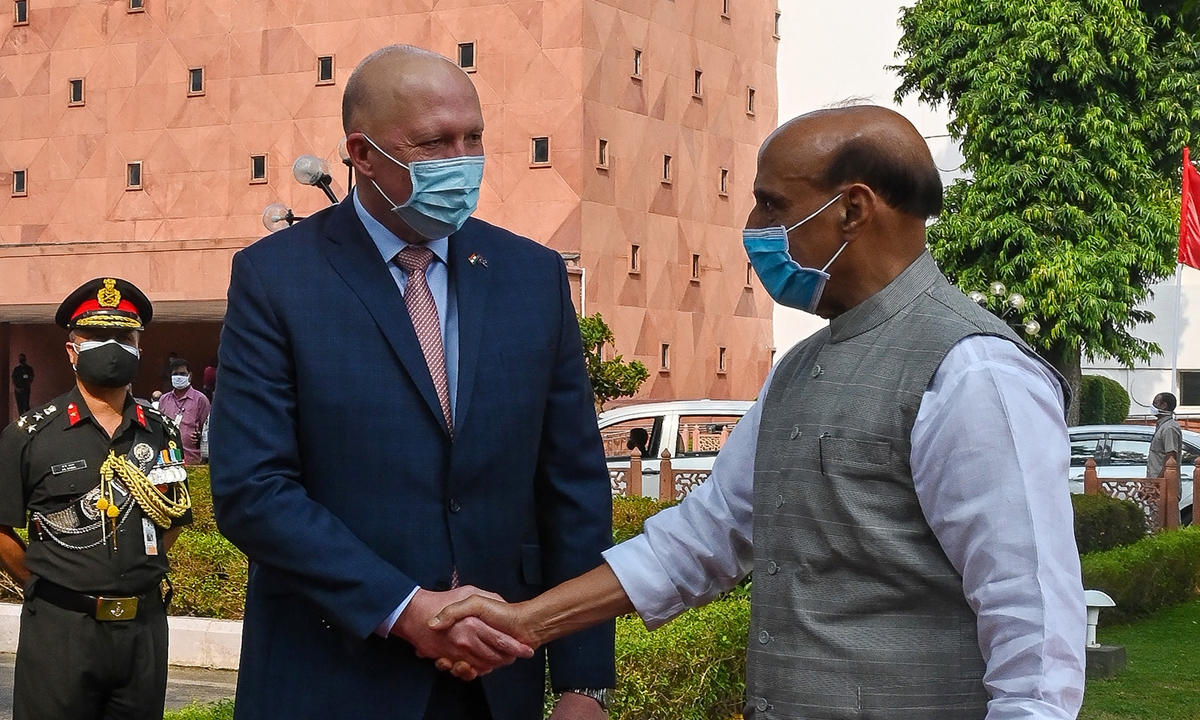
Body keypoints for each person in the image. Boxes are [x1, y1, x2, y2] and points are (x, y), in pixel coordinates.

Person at [432, 106, 1088, 720]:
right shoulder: (800, 369)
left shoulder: (974, 371)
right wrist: (528, 622)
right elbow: (706, 535)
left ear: (853, 209)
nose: (752, 225)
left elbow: (1033, 634)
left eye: (773, 203)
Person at [208, 45, 614, 720]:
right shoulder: (278, 279)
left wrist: (584, 683)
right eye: (434, 143)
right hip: (332, 679)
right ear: (361, 154)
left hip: (496, 682)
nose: (463, 159)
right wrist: (406, 610)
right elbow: (253, 488)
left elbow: (572, 485)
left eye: (474, 138)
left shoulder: (531, 277)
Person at [0, 277, 192, 720]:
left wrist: (138, 564)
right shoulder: (30, 435)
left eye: (124, 338)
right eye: (98, 336)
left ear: (139, 348)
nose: (113, 347)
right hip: (61, 631)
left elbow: (175, 515)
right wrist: (46, 582)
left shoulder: (160, 431)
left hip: (143, 630)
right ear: (72, 351)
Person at [158, 358, 211, 465]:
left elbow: (207, 430)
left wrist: (200, 437)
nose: (178, 377)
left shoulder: (200, 400)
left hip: (193, 461)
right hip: (168, 461)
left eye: (182, 374)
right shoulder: (164, 400)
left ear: (190, 376)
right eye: (175, 374)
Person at [1147, 392, 1183, 480]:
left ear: (1164, 405)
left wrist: (1159, 482)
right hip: (1154, 480)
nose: (1152, 406)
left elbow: (1171, 458)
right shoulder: (1162, 426)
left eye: (1155, 403)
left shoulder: (1169, 428)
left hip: (1163, 483)